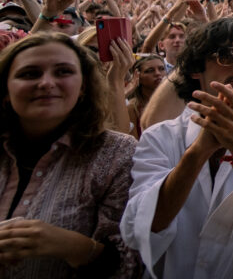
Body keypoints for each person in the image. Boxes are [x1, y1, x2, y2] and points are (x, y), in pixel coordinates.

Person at [121, 16, 233, 278]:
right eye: (227, 54)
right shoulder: (159, 138)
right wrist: (199, 150)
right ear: (196, 68)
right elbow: (141, 229)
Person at [0, 33, 140, 277]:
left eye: (63, 72)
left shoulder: (116, 154)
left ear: (83, 87)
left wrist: (73, 247)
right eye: (29, 74)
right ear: (5, 90)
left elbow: (131, 265)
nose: (46, 83)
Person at [126, 54, 167, 139]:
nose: (158, 73)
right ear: (138, 76)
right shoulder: (132, 108)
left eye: (161, 69)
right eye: (150, 70)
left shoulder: (174, 102)